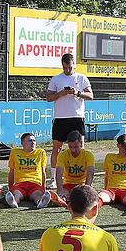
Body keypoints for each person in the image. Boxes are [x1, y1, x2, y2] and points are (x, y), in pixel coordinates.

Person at [46, 53, 93, 189]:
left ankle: (81, 178)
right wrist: (61, 93)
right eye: (65, 67)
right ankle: (53, 178)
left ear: (74, 65)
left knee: (80, 148)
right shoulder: (56, 79)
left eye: (70, 67)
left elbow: (90, 95)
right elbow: (48, 97)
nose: (67, 70)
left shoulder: (81, 78)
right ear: (62, 65)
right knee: (57, 148)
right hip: (60, 118)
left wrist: (77, 93)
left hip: (77, 117)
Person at [49, 130, 95, 208]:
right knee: (63, 195)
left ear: (81, 143)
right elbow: (58, 175)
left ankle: (68, 201)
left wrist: (86, 190)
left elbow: (90, 175)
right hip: (68, 184)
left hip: (82, 185)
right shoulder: (63, 155)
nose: (73, 150)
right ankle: (63, 200)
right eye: (70, 147)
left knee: (84, 198)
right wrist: (60, 190)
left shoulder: (88, 155)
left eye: (76, 147)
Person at [5, 133, 50, 209]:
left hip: (35, 183)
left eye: (34, 140)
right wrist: (10, 187)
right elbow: (11, 171)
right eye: (30, 140)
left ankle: (40, 202)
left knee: (37, 194)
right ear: (22, 142)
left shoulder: (40, 152)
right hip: (20, 183)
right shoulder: (14, 152)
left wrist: (43, 188)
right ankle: (13, 202)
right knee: (16, 194)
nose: (33, 143)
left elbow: (43, 172)